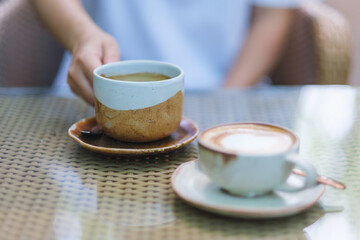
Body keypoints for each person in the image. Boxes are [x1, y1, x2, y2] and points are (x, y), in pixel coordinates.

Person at [31, 0, 298, 105]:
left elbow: (272, 16)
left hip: (231, 92)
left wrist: (225, 98)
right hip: (94, 95)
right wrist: (82, 35)